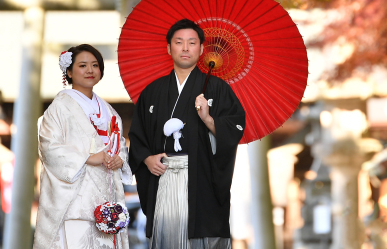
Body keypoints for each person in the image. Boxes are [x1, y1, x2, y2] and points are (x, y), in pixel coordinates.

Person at [128, 19, 246, 249]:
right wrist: (147, 158)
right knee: (168, 237)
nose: (185, 48)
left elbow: (234, 130)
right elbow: (138, 134)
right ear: (168, 48)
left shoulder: (217, 89)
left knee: (203, 238)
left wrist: (208, 119)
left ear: (201, 49)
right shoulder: (153, 91)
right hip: (163, 177)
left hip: (201, 178)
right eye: (179, 42)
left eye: (192, 43)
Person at [33, 44, 132, 249]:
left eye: (95, 65)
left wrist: (119, 158)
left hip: (106, 193)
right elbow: (49, 145)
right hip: (76, 199)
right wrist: (87, 157)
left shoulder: (108, 110)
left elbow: (119, 143)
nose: (90, 70)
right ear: (69, 72)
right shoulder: (60, 107)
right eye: (83, 65)